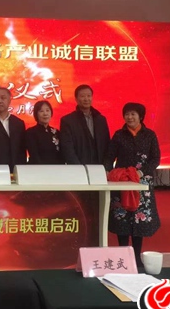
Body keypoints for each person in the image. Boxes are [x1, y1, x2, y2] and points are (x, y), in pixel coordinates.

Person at [103, 102, 161, 267]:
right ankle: (123, 256)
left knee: (138, 219)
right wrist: (108, 172)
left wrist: (142, 172)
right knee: (122, 219)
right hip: (122, 182)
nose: (129, 117)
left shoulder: (150, 135)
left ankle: (136, 257)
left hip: (141, 182)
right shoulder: (119, 135)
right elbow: (109, 157)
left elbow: (155, 159)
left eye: (133, 114)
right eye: (127, 114)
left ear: (140, 116)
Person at [60, 84, 110, 165]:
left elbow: (107, 145)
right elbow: (67, 148)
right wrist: (78, 168)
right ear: (76, 99)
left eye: (89, 96)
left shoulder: (101, 120)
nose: (86, 99)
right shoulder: (68, 121)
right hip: (79, 167)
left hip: (99, 167)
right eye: (82, 96)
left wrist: (106, 166)